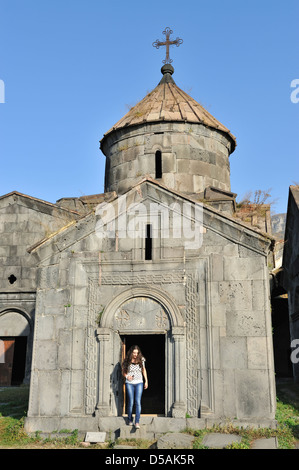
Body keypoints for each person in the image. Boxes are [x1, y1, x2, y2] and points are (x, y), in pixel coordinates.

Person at [122, 345, 148, 428]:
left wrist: (146, 381)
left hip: (139, 382)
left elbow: (144, 370)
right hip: (129, 383)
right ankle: (130, 420)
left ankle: (137, 422)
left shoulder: (141, 359)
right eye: (134, 353)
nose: (135, 354)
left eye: (137, 353)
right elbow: (123, 371)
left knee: (138, 402)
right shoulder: (127, 360)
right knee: (131, 402)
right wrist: (127, 376)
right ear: (131, 352)